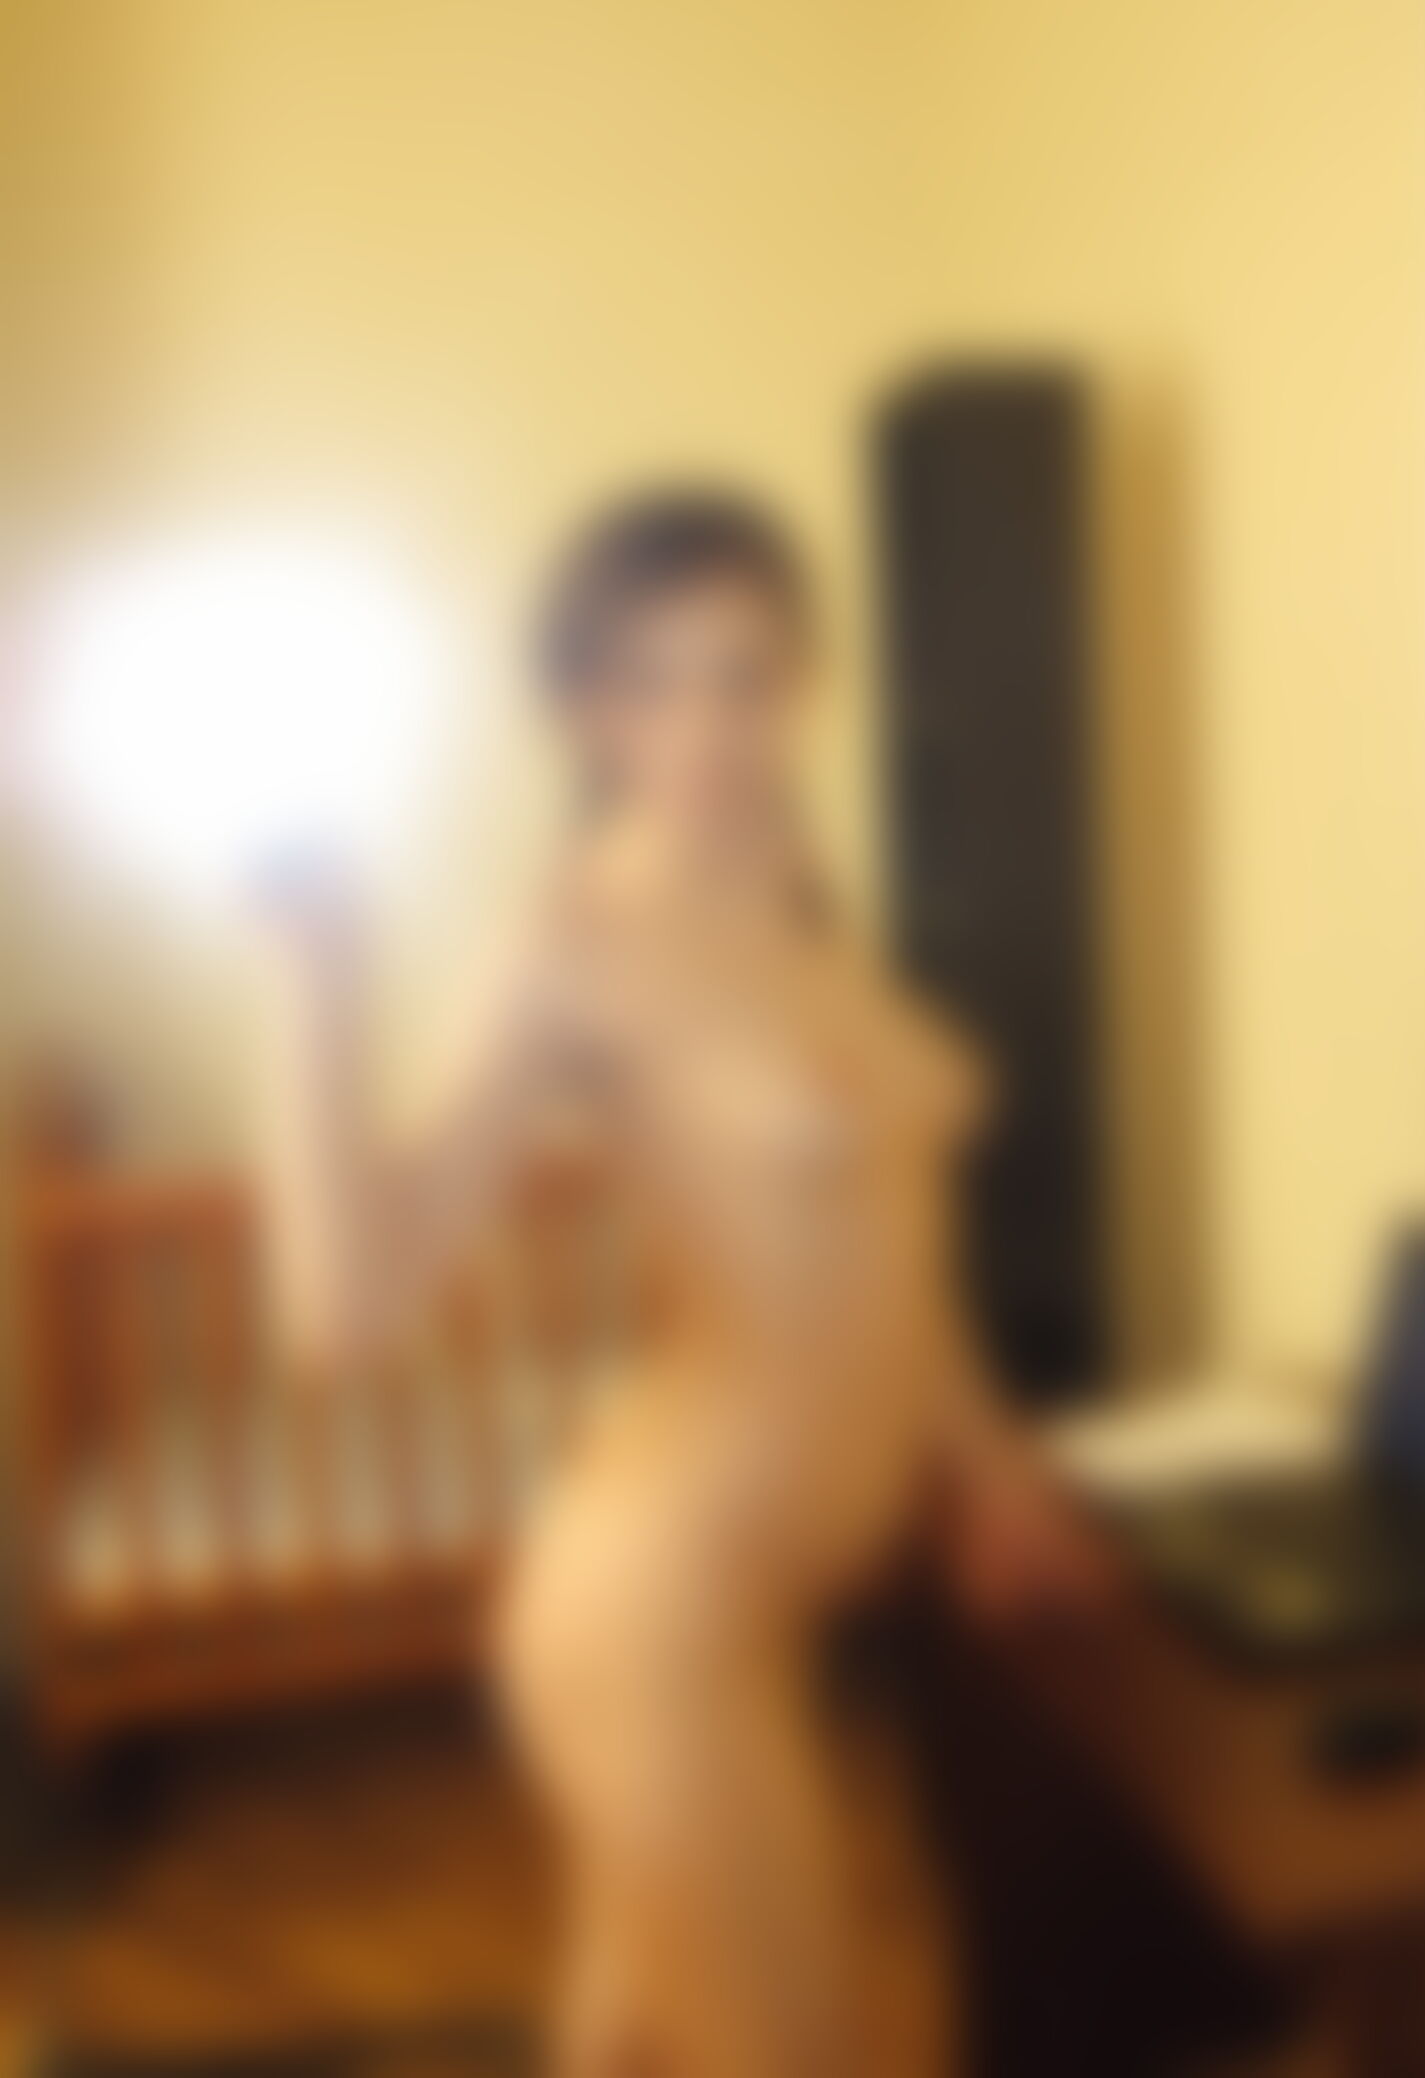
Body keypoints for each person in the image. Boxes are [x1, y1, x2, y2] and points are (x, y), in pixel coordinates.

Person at [250, 488, 1112, 2078]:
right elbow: (347, 1308)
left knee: (632, 2037)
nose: (705, 723)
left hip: (774, 1596)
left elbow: (896, 1248)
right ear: (586, 712)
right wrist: (318, 981)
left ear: (805, 682)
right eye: (648, 680)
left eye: (743, 671)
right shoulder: (569, 940)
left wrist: (994, 1466)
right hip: (658, 1608)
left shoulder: (802, 908)